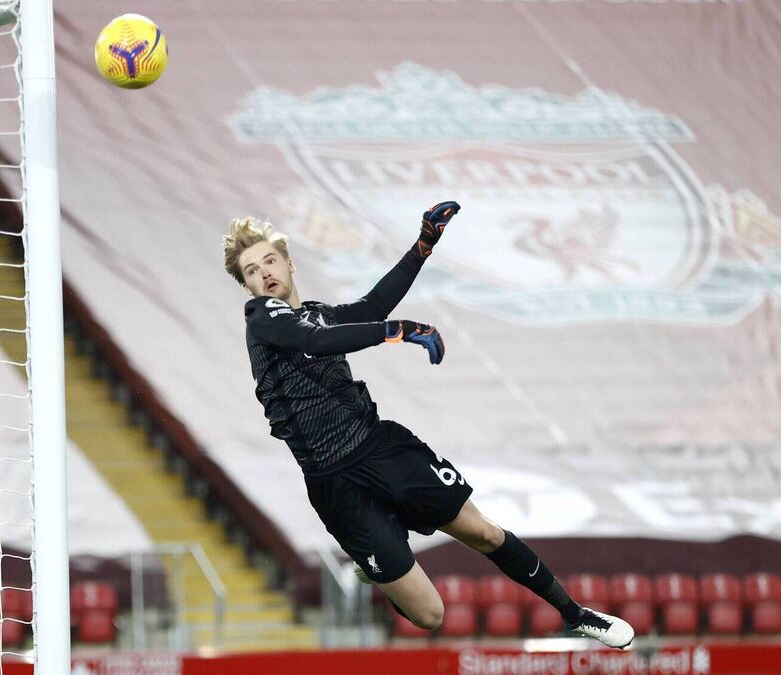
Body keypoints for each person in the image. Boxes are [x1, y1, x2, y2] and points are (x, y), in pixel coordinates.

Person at [222, 203, 634, 648]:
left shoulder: (318, 313)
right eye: (251, 270)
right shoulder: (260, 319)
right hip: (335, 485)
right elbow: (314, 341)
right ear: (247, 286)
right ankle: (380, 555)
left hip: (381, 448)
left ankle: (576, 614)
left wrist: (423, 245)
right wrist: (395, 331)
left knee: (485, 533)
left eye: (270, 260)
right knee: (429, 616)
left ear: (290, 264)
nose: (263, 273)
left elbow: (372, 305)